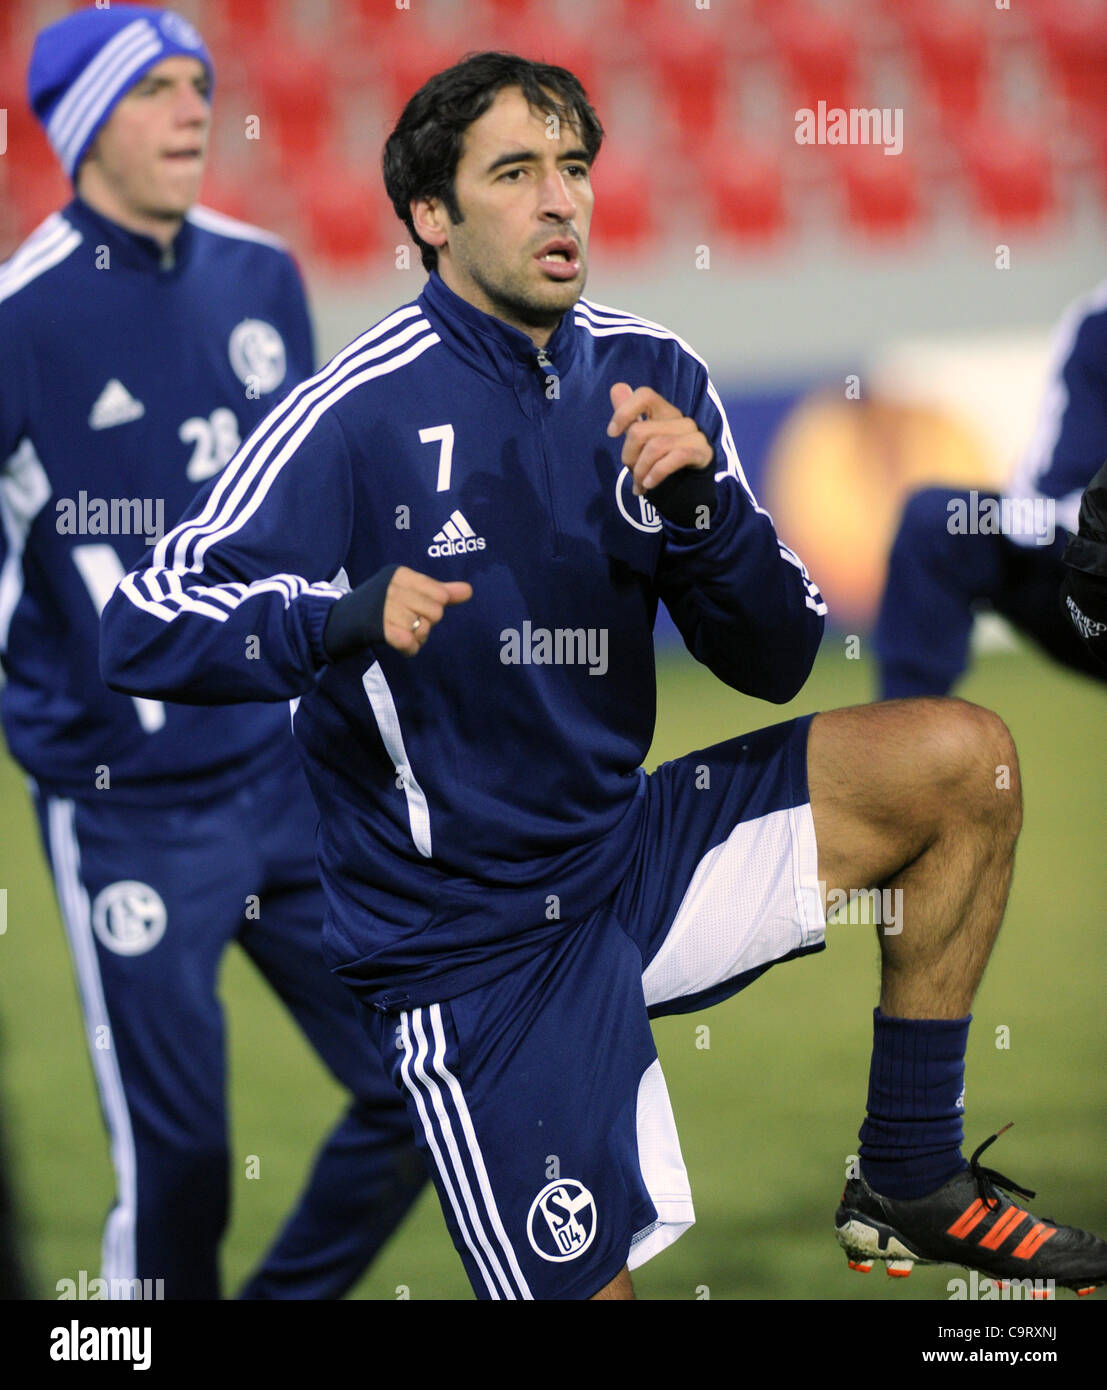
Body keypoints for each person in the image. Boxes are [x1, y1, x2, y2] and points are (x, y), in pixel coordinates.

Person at [101, 51, 1107, 1301]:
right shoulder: (348, 415)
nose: (560, 199)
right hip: (468, 950)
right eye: (515, 173)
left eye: (572, 168)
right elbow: (140, 623)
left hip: (628, 858)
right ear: (432, 216)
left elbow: (779, 656)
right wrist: (333, 619)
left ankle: (908, 1169)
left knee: (967, 761)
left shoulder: (655, 373)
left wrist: (703, 516)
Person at [0, 5, 425, 1299]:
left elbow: (295, 521)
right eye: (157, 91)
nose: (195, 110)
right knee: (182, 1159)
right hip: (126, 815)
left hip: (285, 782)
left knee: (418, 1082)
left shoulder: (263, 278)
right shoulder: (18, 319)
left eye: (202, 84)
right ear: (82, 124)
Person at [875, 280, 1107, 698]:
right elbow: (1042, 504)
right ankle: (904, 738)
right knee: (938, 522)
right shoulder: (1100, 321)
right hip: (1086, 567)